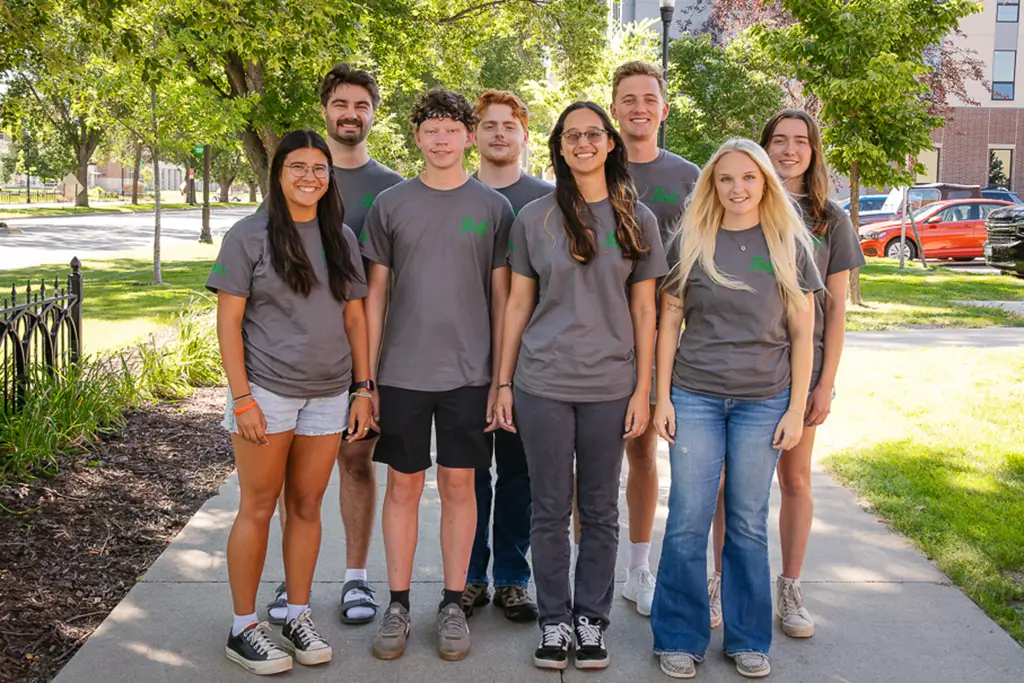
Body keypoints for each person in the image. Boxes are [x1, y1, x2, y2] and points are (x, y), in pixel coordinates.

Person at [494, 101, 667, 671]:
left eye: (594, 134)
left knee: (598, 508)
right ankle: (554, 621)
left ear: (610, 143)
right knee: (547, 507)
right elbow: (518, 303)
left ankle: (590, 621)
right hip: (542, 381)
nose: (584, 143)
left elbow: (647, 312)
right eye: (573, 136)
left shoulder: (636, 217)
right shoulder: (534, 217)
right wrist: (503, 382)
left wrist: (643, 388)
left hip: (610, 385)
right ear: (560, 146)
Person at [650, 138, 822, 679]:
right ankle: (679, 635)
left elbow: (803, 331)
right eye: (726, 179)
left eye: (748, 177)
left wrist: (796, 408)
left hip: (763, 401)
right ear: (712, 185)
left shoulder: (788, 242)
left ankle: (748, 638)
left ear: (765, 181)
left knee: (747, 523)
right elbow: (668, 324)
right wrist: (662, 398)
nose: (737, 188)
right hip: (695, 395)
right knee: (686, 520)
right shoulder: (690, 240)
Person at [208, 129, 374, 675]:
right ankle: (243, 627)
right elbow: (228, 322)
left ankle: (297, 615)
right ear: (278, 175)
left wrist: (363, 388)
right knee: (258, 505)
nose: (309, 177)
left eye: (319, 168)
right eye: (297, 167)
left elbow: (354, 316)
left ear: (331, 177)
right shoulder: (248, 235)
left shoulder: (341, 237)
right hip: (268, 392)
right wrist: (242, 399)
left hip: (328, 394)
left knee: (306, 506)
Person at [362, 89, 515, 662]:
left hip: (469, 376)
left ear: (468, 137)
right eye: (432, 129)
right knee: (402, 486)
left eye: (453, 128)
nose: (443, 138)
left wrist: (501, 380)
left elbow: (504, 302)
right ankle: (397, 603)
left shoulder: (494, 209)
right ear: (417, 137)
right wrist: (366, 379)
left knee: (460, 487)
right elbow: (374, 296)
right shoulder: (391, 205)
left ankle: (453, 602)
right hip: (401, 373)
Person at [708, 110, 866, 639]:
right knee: (728, 485)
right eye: (779, 141)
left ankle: (790, 587)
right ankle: (719, 584)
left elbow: (836, 311)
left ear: (814, 151)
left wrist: (824, 383)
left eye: (801, 142)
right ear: (763, 149)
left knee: (793, 478)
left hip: (802, 371)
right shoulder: (739, 205)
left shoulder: (830, 220)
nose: (790, 150)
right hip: (743, 372)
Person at [261, 64, 403, 628]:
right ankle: (291, 578)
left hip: (369, 353)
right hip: (298, 356)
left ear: (373, 113)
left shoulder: (393, 188)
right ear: (326, 109)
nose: (351, 114)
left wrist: (374, 369)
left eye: (361, 105)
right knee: (298, 473)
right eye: (341, 104)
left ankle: (355, 577)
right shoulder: (299, 173)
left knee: (356, 461)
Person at [608, 60, 701, 617]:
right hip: (594, 337)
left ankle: (638, 569)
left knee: (643, 450)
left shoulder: (689, 177)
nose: (639, 107)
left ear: (662, 109)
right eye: (628, 99)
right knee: (587, 464)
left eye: (649, 98)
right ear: (614, 107)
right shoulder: (590, 166)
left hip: (662, 337)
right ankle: (583, 571)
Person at [463, 89, 553, 623]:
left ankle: (513, 580)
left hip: (531, 365)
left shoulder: (548, 200)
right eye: (489, 125)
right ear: (473, 135)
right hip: (467, 362)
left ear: (524, 135)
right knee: (470, 475)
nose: (500, 133)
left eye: (509, 125)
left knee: (519, 478)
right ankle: (470, 576)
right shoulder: (453, 192)